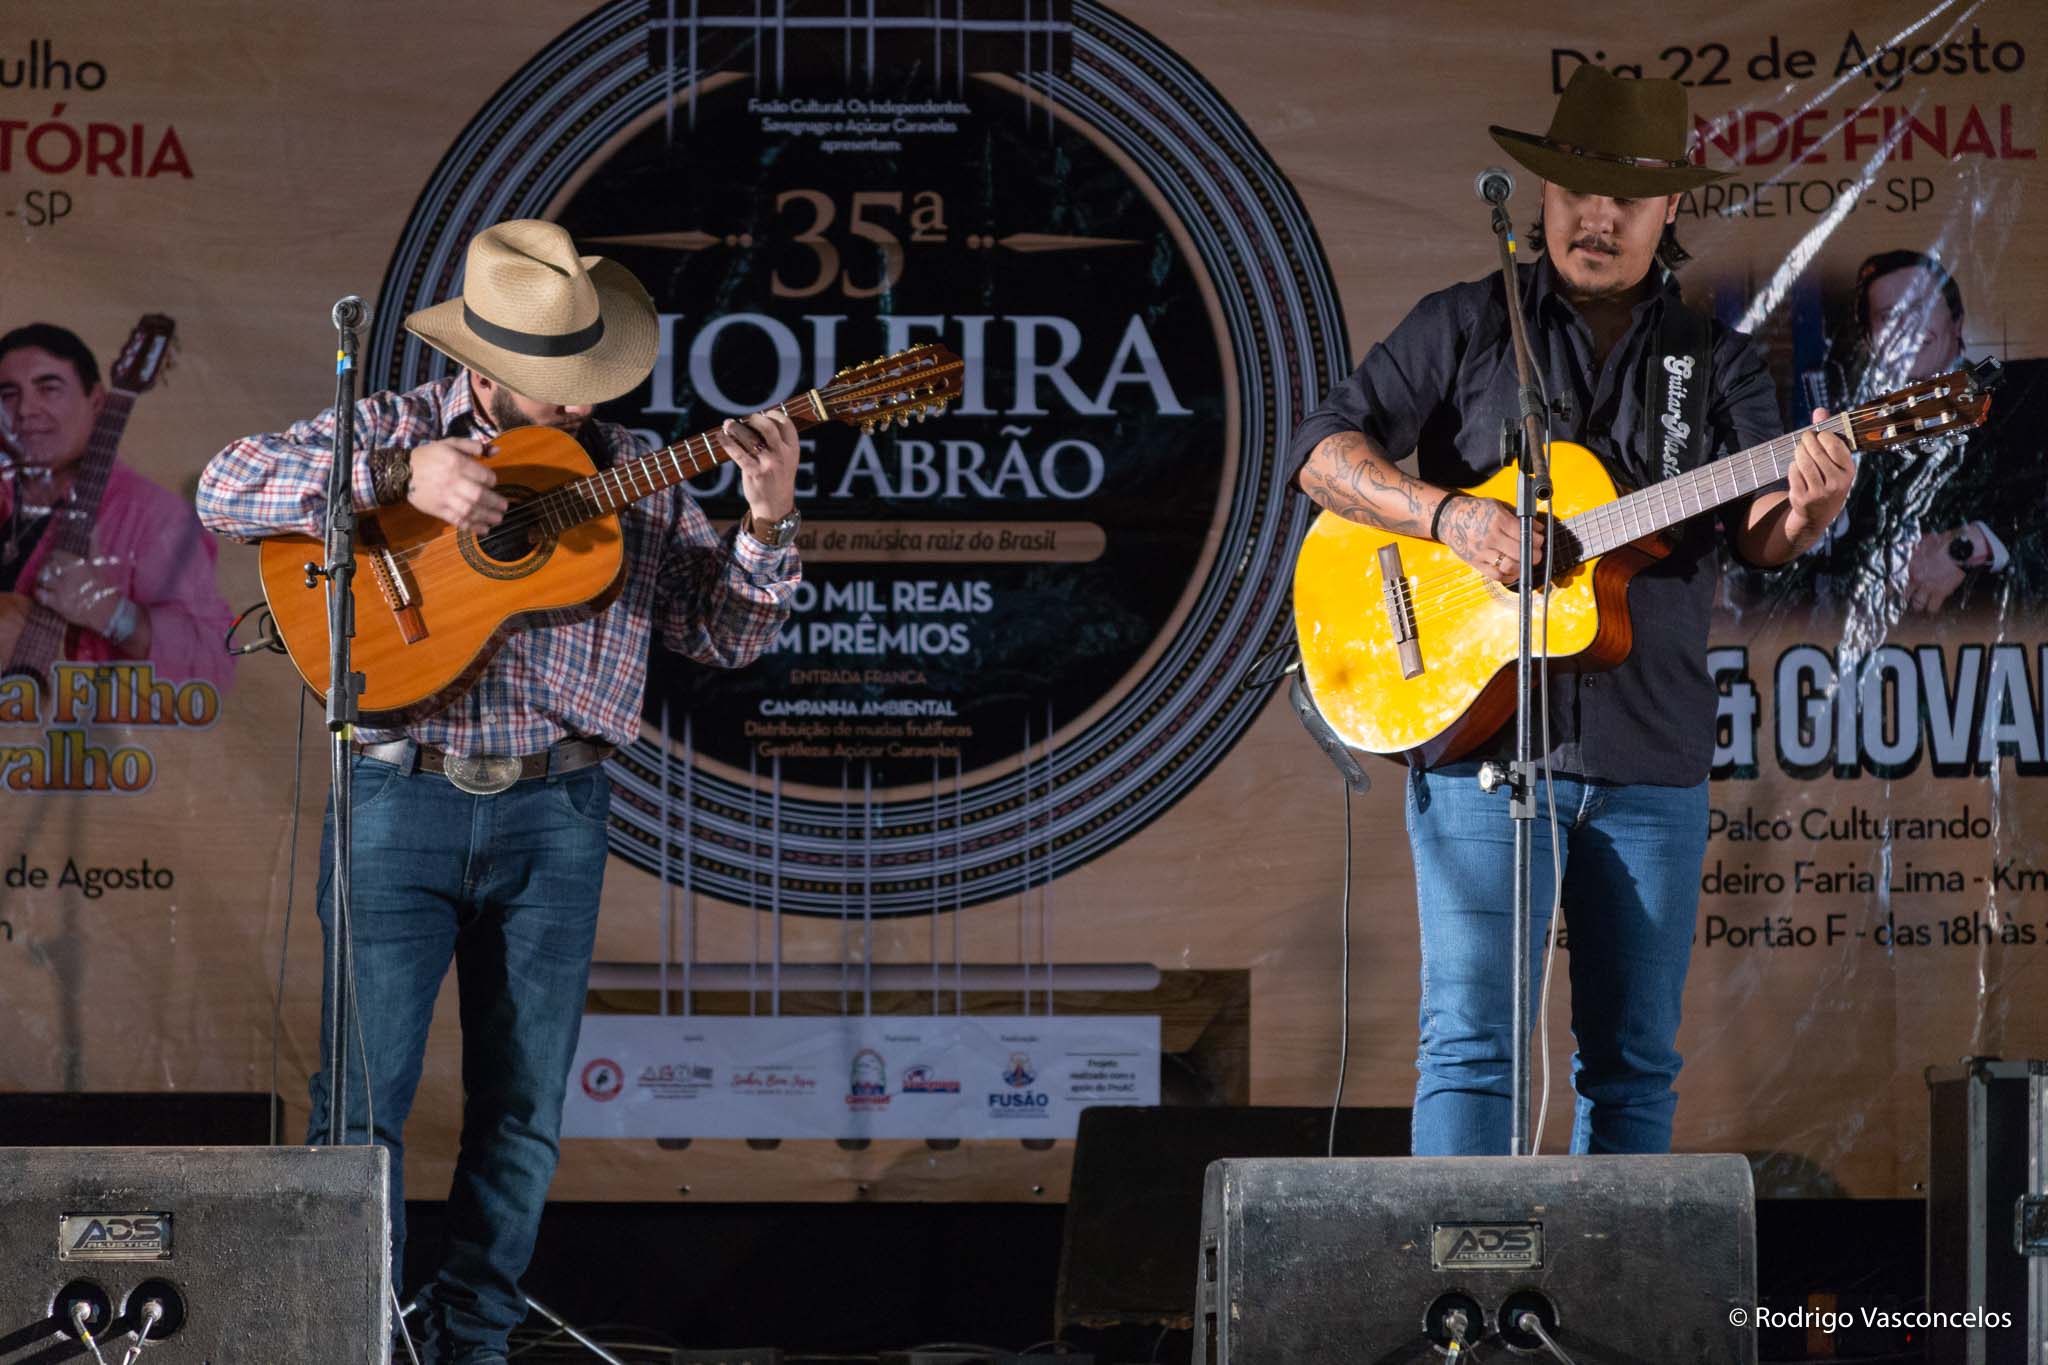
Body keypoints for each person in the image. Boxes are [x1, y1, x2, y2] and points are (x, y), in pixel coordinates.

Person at [197, 219, 803, 1365]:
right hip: (397, 798)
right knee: (360, 1106)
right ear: (482, 369)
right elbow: (222, 490)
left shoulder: (634, 471)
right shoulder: (395, 428)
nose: (579, 401)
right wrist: (396, 477)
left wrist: (766, 522)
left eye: (590, 376)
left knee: (523, 1113)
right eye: (554, 379)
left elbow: (723, 638)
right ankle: (351, 1343)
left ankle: (471, 1343)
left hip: (556, 816)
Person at [1289, 65, 1856, 1156]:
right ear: (1541, 194)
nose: (1598, 218)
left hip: (1650, 755)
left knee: (1633, 1063)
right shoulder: (1463, 325)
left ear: (1668, 208)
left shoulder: (1717, 362)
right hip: (1481, 747)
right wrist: (1450, 517)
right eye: (1577, 191)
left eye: (1627, 199)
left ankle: (1613, 1274)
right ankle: (1457, 1271)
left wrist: (1809, 509)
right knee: (1471, 1046)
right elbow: (1321, 453)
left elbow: (1761, 536)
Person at [1788, 250, 2048, 617]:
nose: (1907, 328)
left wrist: (1972, 544)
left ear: (1957, 321)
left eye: (1921, 309)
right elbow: (1820, 576)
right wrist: (1817, 521)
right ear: (1870, 339)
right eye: (1889, 316)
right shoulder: (1853, 438)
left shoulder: (2032, 390)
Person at [0, 323, 235, 690]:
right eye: (8, 394)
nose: (26, 409)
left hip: (79, 723)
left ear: (97, 402)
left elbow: (213, 662)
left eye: (49, 388)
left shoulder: (156, 518)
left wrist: (113, 614)